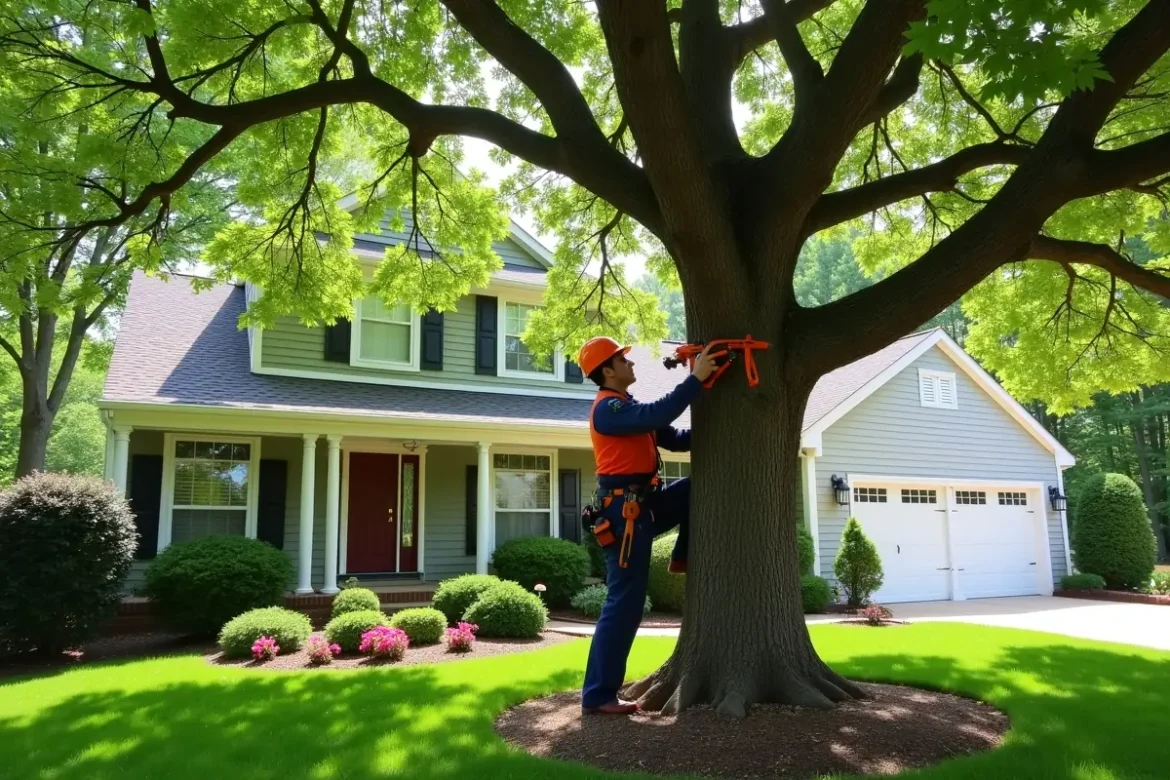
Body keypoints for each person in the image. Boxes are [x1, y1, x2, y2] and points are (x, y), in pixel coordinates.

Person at [576, 336, 718, 715]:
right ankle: (597, 695)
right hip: (624, 515)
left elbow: (674, 437)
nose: (631, 364)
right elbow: (656, 416)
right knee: (624, 604)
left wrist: (726, 425)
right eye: (624, 359)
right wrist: (695, 380)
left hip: (646, 505)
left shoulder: (628, 407)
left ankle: (681, 555)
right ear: (607, 370)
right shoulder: (608, 409)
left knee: (694, 488)